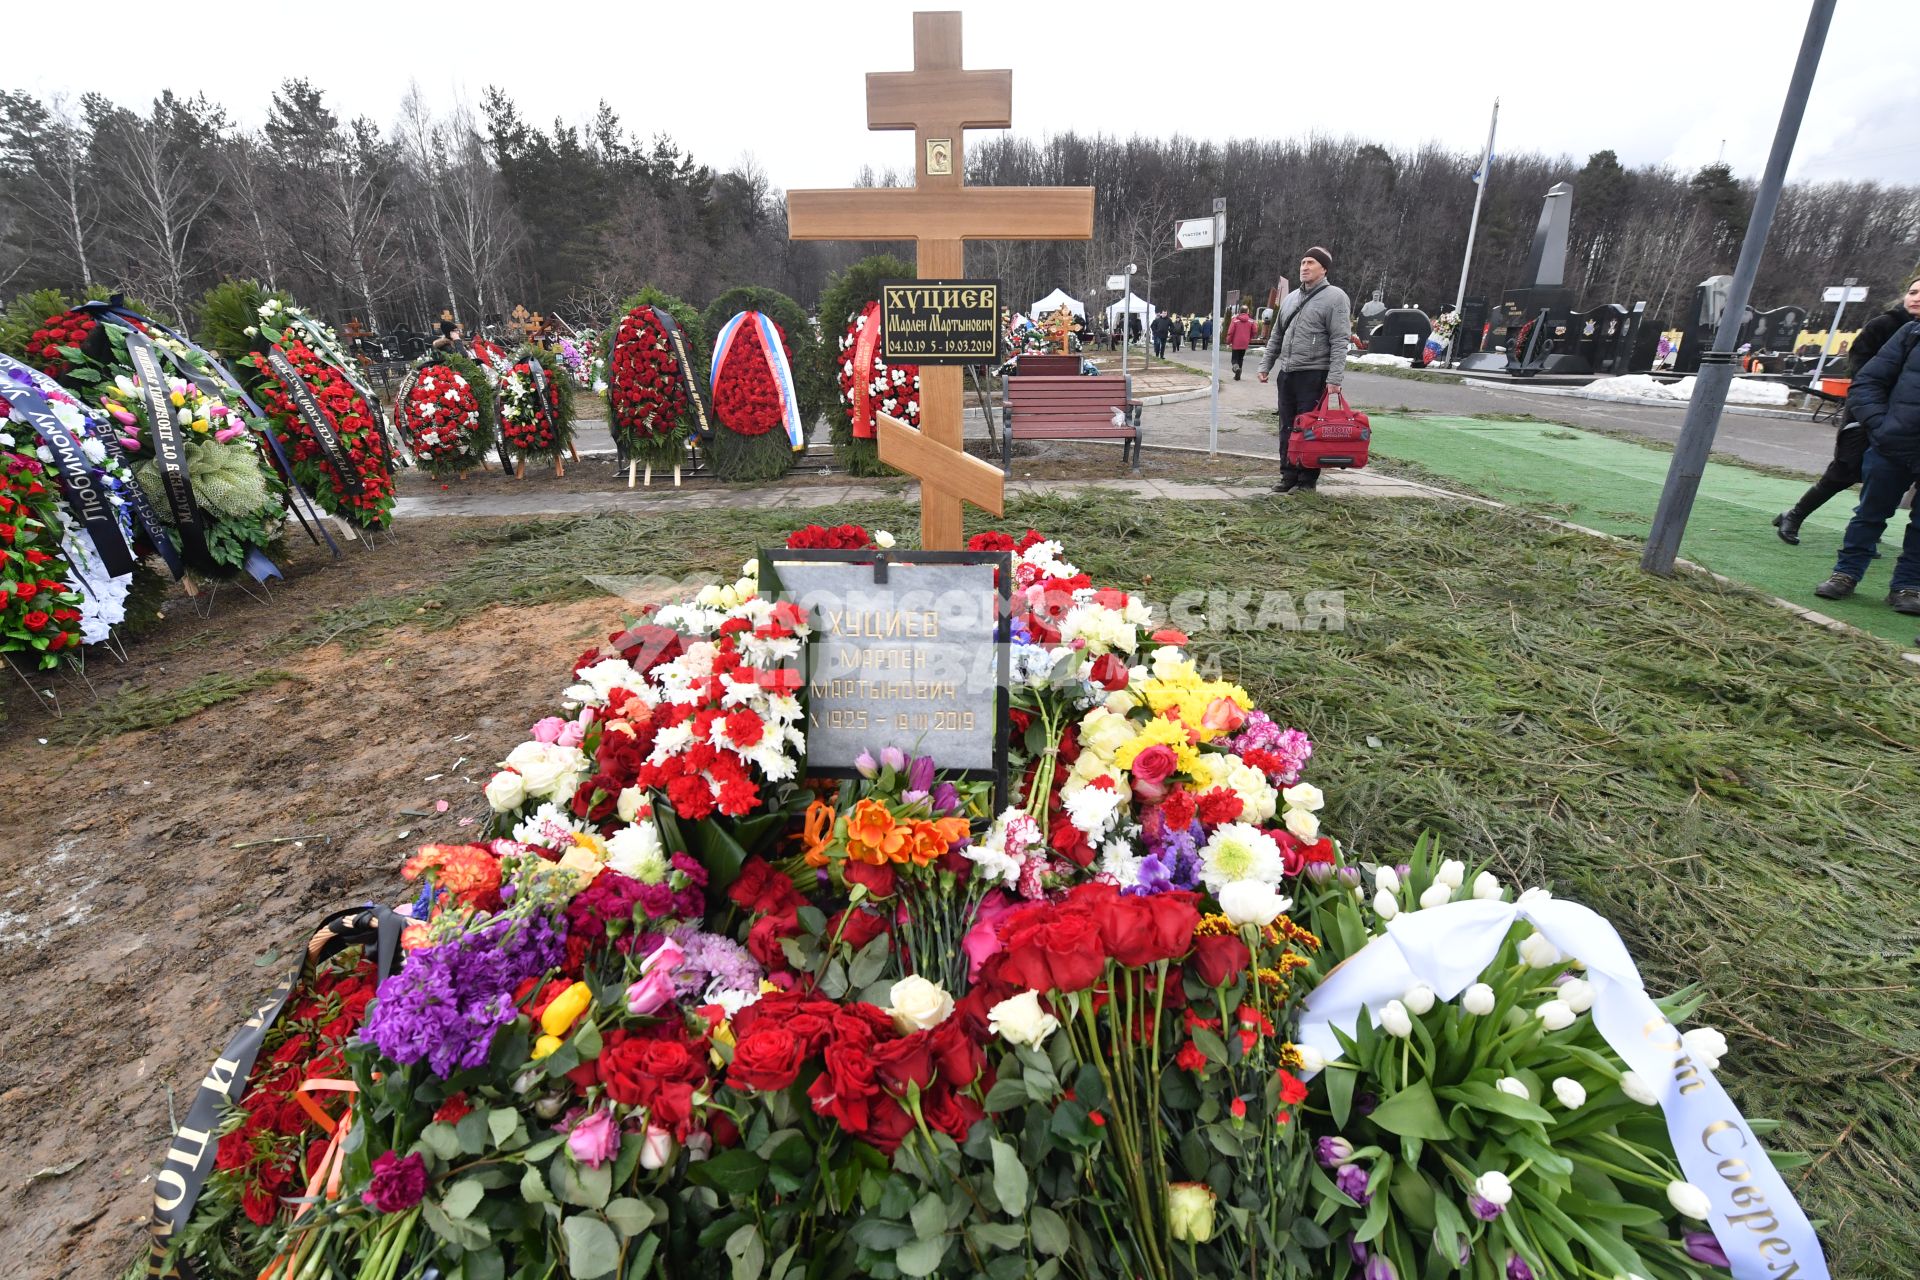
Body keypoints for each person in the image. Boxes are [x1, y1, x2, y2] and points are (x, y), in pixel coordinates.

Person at [1775, 276, 1920, 544]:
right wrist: (1877, 410)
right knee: (1843, 471)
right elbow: (1859, 369)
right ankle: (1794, 515)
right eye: (1912, 291)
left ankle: (1866, 537)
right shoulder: (1885, 325)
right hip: (1869, 415)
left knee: (1881, 478)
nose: (1916, 297)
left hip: (1906, 422)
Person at [1815, 293, 1920, 615]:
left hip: (1893, 437)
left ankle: (1908, 586)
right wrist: (1880, 425)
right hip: (1894, 443)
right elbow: (1867, 381)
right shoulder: (1910, 334)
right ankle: (1846, 573)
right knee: (1870, 514)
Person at [1258, 247, 1352, 493]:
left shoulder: (1336, 297)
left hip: (1314, 374)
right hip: (1287, 373)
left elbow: (1340, 340)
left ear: (1324, 268)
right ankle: (1287, 475)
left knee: (1309, 428)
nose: (1304, 267)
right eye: (1302, 262)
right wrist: (1265, 365)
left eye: (1311, 262)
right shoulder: (1290, 299)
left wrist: (1334, 379)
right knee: (1286, 426)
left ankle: (1306, 480)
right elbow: (1277, 335)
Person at [1226, 305, 1257, 379]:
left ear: (1240, 311)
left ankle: (1236, 369)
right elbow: (1255, 331)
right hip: (1244, 343)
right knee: (1241, 358)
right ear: (1247, 312)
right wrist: (1249, 338)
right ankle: (1238, 376)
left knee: (1234, 359)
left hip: (1236, 343)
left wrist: (1228, 342)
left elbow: (1230, 332)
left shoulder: (1235, 320)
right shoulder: (1251, 321)